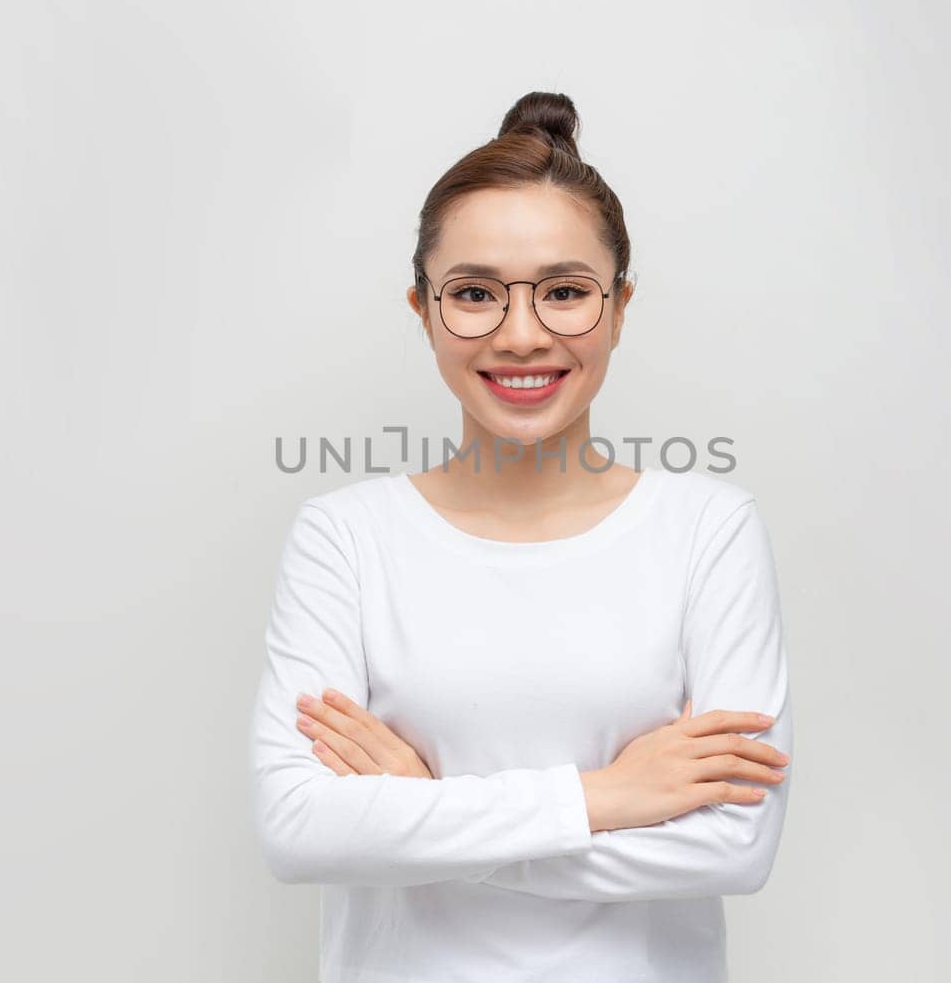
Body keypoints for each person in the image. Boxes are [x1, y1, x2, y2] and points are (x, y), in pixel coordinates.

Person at [249, 91, 794, 982]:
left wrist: (423, 816)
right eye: (473, 294)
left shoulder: (708, 531)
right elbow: (298, 827)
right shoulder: (345, 538)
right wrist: (607, 797)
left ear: (618, 307)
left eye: (566, 292)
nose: (523, 334)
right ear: (423, 310)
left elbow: (734, 846)